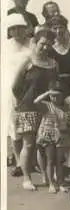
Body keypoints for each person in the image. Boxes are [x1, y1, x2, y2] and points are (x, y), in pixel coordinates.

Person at [12, 28, 58, 190]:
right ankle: (26, 178)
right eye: (42, 44)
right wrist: (25, 102)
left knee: (44, 144)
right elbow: (15, 86)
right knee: (29, 144)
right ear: (36, 42)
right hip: (27, 108)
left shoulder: (53, 64)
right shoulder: (28, 60)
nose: (45, 47)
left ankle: (47, 177)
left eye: (49, 45)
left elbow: (54, 87)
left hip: (46, 109)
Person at [4, 13, 32, 177]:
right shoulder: (5, 45)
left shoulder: (32, 43)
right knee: (13, 125)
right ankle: (19, 162)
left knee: (29, 125)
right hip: (8, 88)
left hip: (28, 87)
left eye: (20, 27)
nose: (17, 31)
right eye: (13, 28)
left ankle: (29, 161)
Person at [34, 81, 70, 193]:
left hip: (61, 135)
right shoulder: (47, 105)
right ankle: (51, 182)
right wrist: (47, 93)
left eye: (57, 96)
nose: (54, 98)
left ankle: (60, 182)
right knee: (50, 160)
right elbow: (36, 101)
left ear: (62, 96)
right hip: (48, 136)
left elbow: (69, 124)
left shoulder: (66, 108)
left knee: (59, 161)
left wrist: (65, 133)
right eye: (52, 96)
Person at [47, 15, 70, 96]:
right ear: (50, 30)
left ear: (65, 28)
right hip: (57, 87)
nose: (58, 31)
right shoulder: (49, 49)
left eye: (61, 27)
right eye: (55, 28)